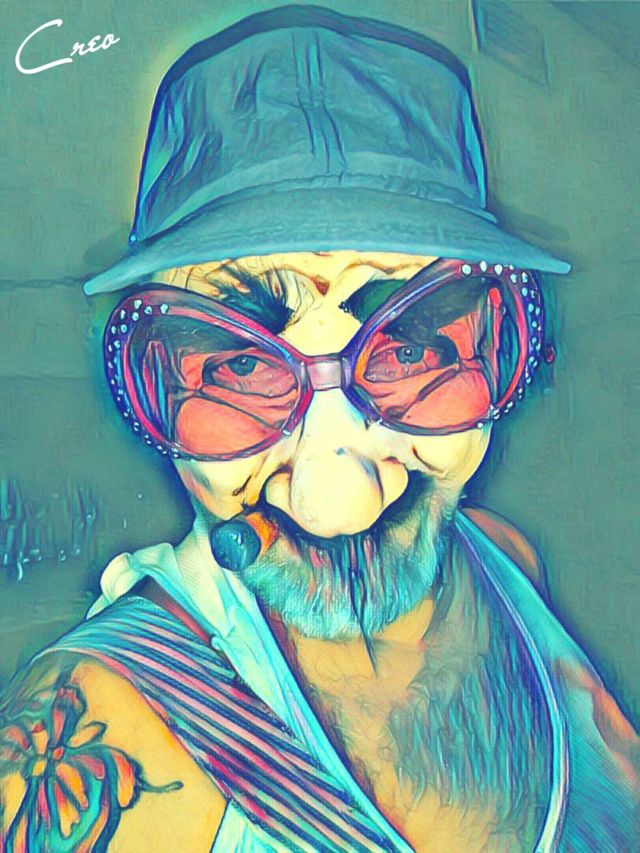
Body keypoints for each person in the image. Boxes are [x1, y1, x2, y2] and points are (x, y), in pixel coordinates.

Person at [1, 6, 637, 852]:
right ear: (157, 381)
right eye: (241, 366)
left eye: (408, 348)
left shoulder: (505, 562)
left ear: (493, 346)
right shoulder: (99, 738)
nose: (339, 502)